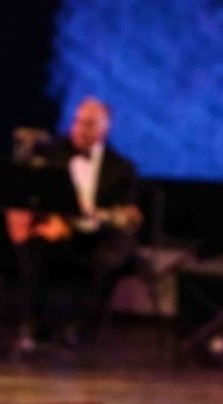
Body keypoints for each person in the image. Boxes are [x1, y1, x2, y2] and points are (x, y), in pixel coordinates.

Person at [10, 96, 142, 353]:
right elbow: (33, 192)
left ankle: (80, 327)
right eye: (77, 122)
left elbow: (126, 216)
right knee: (32, 246)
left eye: (89, 124)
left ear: (105, 128)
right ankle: (32, 325)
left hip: (99, 235)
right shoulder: (52, 153)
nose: (80, 130)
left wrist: (101, 218)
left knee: (108, 260)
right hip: (61, 231)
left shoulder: (122, 168)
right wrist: (50, 220)